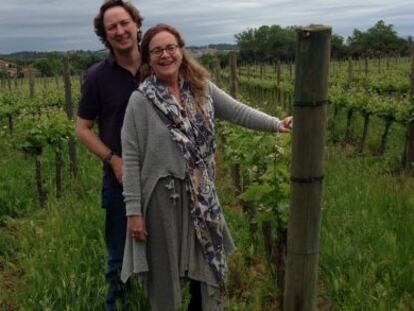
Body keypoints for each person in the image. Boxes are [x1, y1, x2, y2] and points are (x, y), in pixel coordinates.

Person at [120, 24, 292, 311]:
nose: (166, 55)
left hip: (202, 197)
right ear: (148, 59)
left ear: (181, 51)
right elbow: (131, 158)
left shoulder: (201, 88)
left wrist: (276, 124)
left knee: (207, 271)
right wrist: (134, 213)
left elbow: (238, 111)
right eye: (157, 50)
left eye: (171, 47)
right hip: (163, 201)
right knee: (165, 278)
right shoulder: (141, 100)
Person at [75, 1, 143, 309]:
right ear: (104, 34)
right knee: (119, 254)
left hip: (164, 177)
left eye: (124, 23)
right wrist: (113, 160)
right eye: (111, 27)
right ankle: (118, 304)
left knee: (167, 250)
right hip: (119, 181)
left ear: (136, 24)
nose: (120, 30)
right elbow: (83, 129)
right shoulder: (97, 77)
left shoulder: (159, 63)